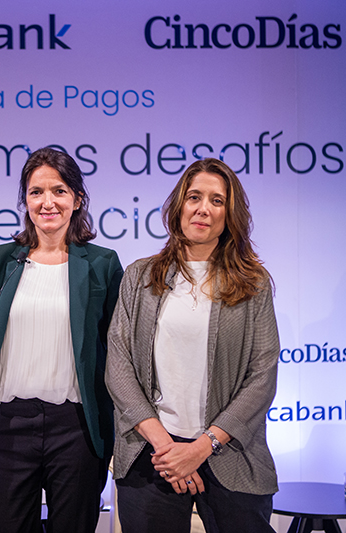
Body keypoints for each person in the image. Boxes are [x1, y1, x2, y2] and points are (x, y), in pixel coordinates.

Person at [105, 158, 279, 533]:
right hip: (153, 457)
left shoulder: (254, 284)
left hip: (229, 455)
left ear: (230, 215)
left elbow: (262, 377)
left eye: (217, 201)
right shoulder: (139, 276)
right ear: (178, 206)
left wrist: (200, 449)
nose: (203, 208)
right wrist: (169, 450)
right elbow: (118, 366)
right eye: (194, 197)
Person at [0, 147, 123, 533]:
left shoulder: (103, 264)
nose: (47, 202)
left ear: (77, 199)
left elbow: (116, 350)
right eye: (36, 192)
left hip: (77, 427)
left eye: (59, 191)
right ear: (25, 200)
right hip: (6, 425)